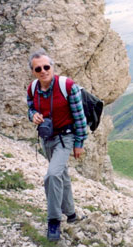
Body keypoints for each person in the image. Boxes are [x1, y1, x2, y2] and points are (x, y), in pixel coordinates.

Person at [26, 48, 87, 242]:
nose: (43, 71)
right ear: (33, 71)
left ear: (52, 67)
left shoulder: (67, 86)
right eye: (38, 69)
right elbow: (30, 107)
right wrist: (32, 116)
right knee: (61, 174)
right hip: (47, 138)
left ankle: (53, 221)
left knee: (52, 175)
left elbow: (79, 117)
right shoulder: (33, 88)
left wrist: (79, 142)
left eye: (46, 67)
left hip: (65, 138)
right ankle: (71, 214)